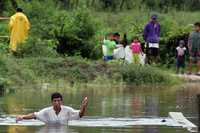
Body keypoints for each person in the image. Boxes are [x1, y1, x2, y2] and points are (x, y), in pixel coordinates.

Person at [16, 92, 88, 124]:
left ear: (62, 101)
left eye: (58, 101)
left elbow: (80, 114)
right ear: (52, 102)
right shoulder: (46, 111)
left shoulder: (68, 110)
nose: (57, 103)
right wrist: (22, 117)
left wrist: (83, 107)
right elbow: (34, 115)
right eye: (55, 101)